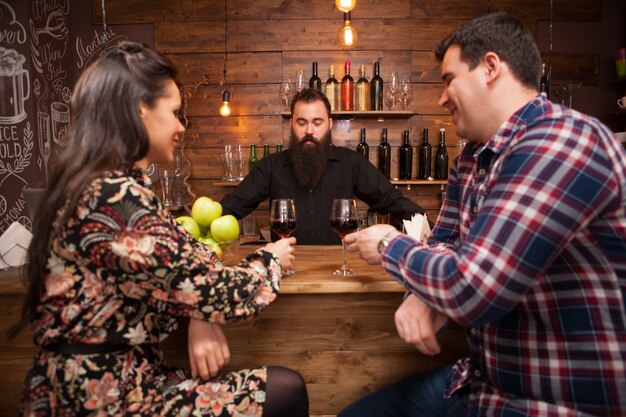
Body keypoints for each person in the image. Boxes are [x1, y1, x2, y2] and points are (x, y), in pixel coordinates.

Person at [341, 12, 626, 417]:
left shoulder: (559, 141)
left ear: (491, 67)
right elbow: (444, 244)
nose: (441, 97)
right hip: (484, 381)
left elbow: (472, 288)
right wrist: (422, 292)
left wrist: (389, 243)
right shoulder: (473, 156)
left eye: (448, 79)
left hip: (555, 399)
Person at [9, 41, 309, 417]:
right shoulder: (116, 198)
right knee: (287, 389)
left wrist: (197, 309)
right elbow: (223, 294)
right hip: (99, 398)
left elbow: (188, 260)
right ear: (140, 110)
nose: (182, 126)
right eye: (176, 112)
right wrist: (270, 258)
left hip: (110, 381)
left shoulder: (104, 183)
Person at [220, 88, 424, 245]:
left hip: (337, 269)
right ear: (292, 124)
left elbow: (392, 200)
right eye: (302, 122)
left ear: (330, 124)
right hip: (285, 271)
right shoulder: (270, 167)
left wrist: (434, 232)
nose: (309, 130)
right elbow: (233, 206)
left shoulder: (351, 163)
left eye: (317, 122)